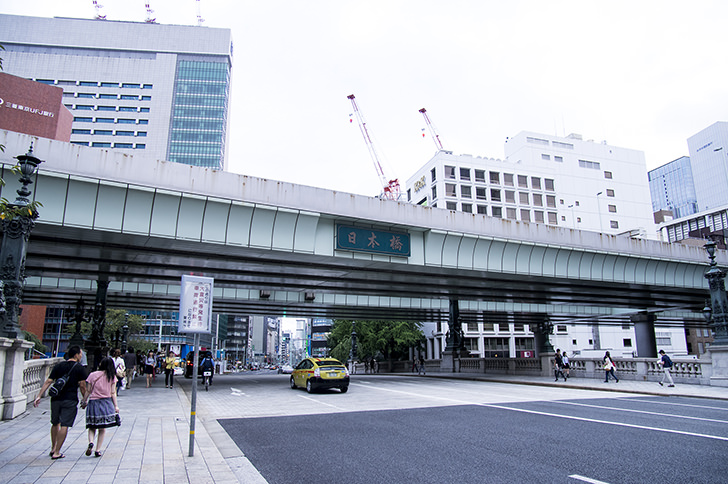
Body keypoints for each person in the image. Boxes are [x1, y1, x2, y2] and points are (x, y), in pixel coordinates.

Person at [33, 345, 88, 460]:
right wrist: (84, 400)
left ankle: (53, 448)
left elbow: (49, 381)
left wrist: (39, 396)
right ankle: (57, 451)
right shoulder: (79, 368)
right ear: (76, 355)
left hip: (56, 398)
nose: (81, 356)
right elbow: (82, 385)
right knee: (65, 424)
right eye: (80, 354)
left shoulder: (59, 366)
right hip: (70, 398)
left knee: (55, 422)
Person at [81, 356, 120, 457]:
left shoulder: (92, 375)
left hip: (93, 402)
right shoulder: (112, 377)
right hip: (105, 403)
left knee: (92, 426)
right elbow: (113, 392)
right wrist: (116, 406)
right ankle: (98, 450)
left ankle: (91, 442)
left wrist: (84, 401)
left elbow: (88, 391)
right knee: (102, 428)